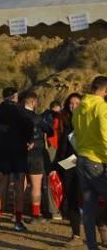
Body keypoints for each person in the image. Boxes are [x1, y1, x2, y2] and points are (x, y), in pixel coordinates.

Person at [72, 75, 107, 250]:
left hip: (81, 159)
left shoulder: (78, 109)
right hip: (96, 160)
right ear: (105, 90)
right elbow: (105, 133)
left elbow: (76, 134)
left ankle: (92, 246)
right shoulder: (101, 107)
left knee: (88, 206)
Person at [0, 87, 31, 232]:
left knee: (2, 184)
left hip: (2, 151)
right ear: (15, 96)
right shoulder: (20, 110)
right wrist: (27, 139)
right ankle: (18, 221)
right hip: (19, 151)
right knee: (19, 186)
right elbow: (29, 125)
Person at [55, 92, 83, 245]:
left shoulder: (88, 120)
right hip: (70, 163)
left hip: (86, 163)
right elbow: (62, 148)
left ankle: (103, 233)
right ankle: (76, 236)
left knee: (91, 199)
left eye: (76, 103)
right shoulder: (65, 121)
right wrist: (57, 166)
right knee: (72, 197)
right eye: (70, 104)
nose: (73, 106)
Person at [19, 90, 46, 223]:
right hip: (35, 154)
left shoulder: (16, 116)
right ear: (34, 102)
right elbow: (49, 131)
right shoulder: (37, 118)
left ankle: (17, 213)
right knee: (36, 186)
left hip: (19, 154)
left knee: (20, 185)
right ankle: (35, 214)